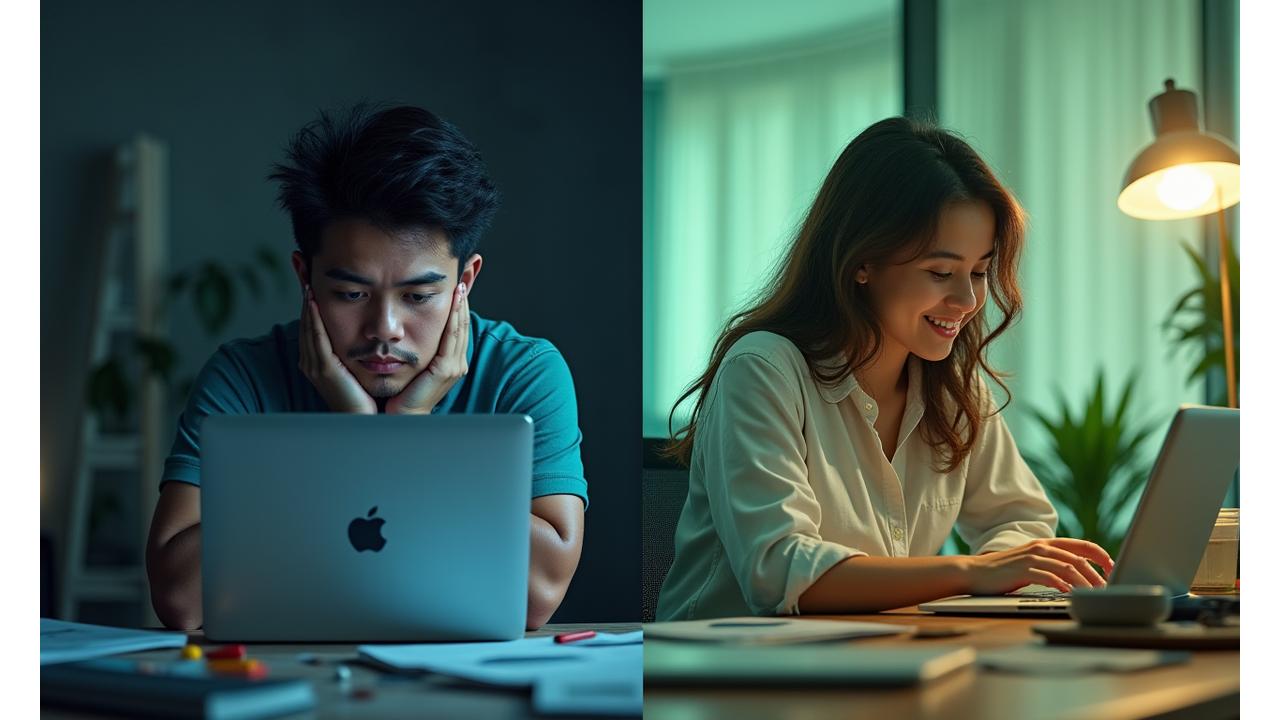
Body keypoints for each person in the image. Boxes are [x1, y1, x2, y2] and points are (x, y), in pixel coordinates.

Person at [146, 104, 586, 631]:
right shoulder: (243, 377)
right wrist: (353, 434)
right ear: (304, 276)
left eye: (419, 296)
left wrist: (404, 433)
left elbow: (540, 596)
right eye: (351, 293)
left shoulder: (524, 373)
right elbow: (178, 599)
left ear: (465, 282)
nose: (385, 328)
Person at [655, 117, 1114, 621]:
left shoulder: (954, 392)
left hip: (879, 658)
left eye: (979, 272)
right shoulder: (763, 369)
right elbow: (779, 572)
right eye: (941, 272)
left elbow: (1022, 520)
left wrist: (1001, 572)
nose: (966, 300)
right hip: (731, 677)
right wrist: (971, 573)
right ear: (863, 261)